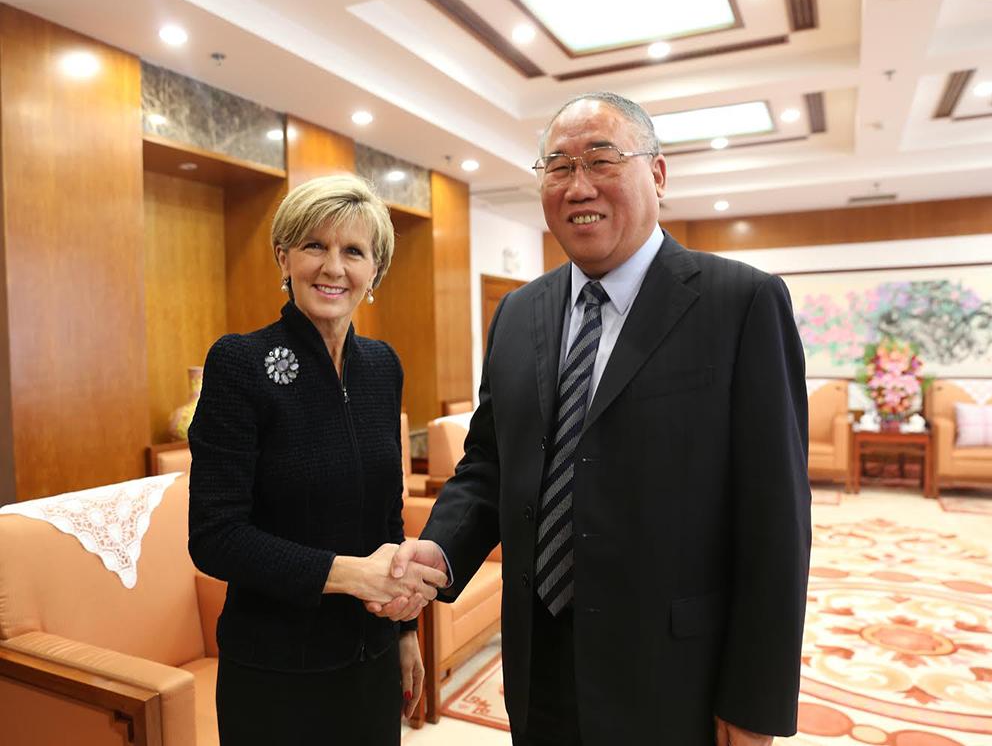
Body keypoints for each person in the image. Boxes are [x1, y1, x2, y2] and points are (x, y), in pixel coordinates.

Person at [371, 93, 811, 745]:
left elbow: (777, 519)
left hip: (674, 675)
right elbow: (489, 464)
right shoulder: (518, 314)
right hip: (537, 661)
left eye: (602, 160)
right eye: (558, 166)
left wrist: (754, 703)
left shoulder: (740, 303)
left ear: (657, 174)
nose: (579, 186)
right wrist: (437, 550)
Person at [187, 174, 447, 745]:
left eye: (353, 251)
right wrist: (353, 576)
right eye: (314, 246)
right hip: (275, 671)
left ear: (374, 270)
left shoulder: (383, 366)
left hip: (371, 663)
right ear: (284, 257)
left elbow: (386, 515)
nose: (333, 267)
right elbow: (214, 535)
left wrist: (404, 631)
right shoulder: (240, 363)